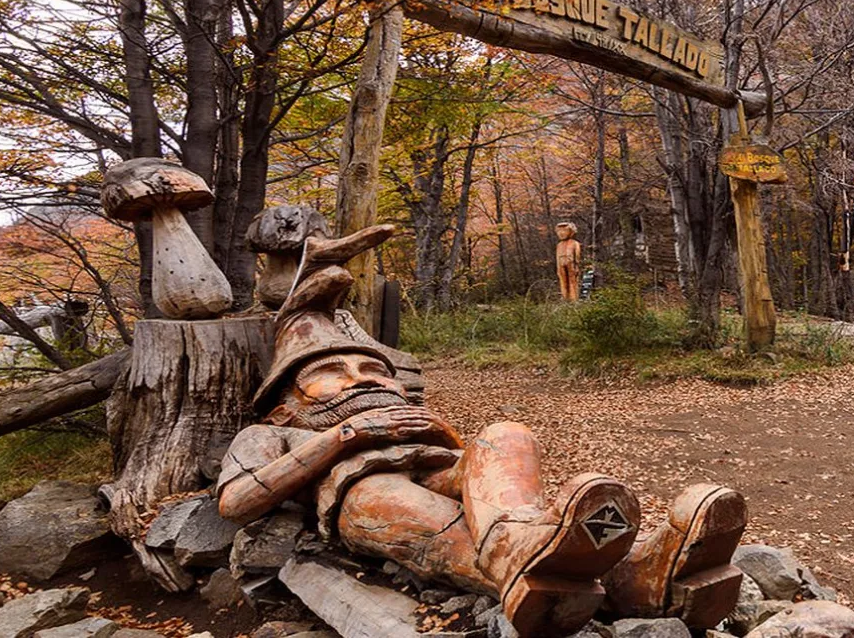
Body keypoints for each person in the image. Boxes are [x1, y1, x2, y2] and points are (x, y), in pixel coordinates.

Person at [218, 225, 745, 636]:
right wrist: (346, 438)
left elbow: (468, 459)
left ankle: (583, 562)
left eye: (373, 370)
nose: (359, 380)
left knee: (505, 434)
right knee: (385, 496)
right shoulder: (278, 431)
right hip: (360, 490)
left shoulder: (408, 413)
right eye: (331, 375)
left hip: (443, 470)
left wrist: (444, 436)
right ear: (286, 405)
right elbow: (237, 501)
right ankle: (606, 574)